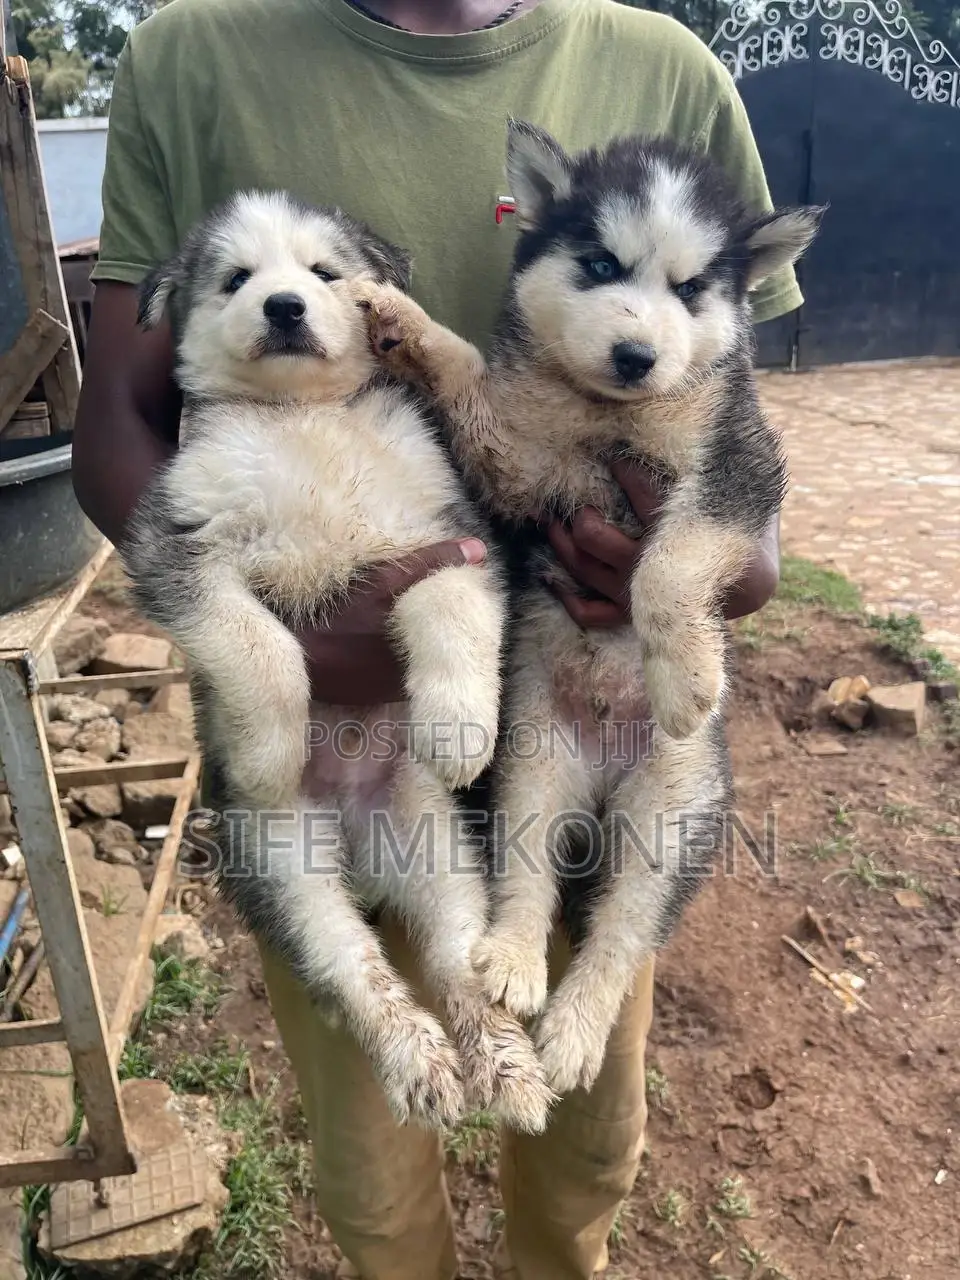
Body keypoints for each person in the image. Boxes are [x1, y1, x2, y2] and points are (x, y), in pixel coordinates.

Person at [73, 2, 798, 1277]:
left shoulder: (665, 72)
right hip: (319, 727)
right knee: (374, 1172)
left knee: (583, 1146)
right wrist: (281, 637)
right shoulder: (192, 55)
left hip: (589, 695)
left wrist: (703, 578)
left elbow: (738, 451)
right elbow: (116, 418)